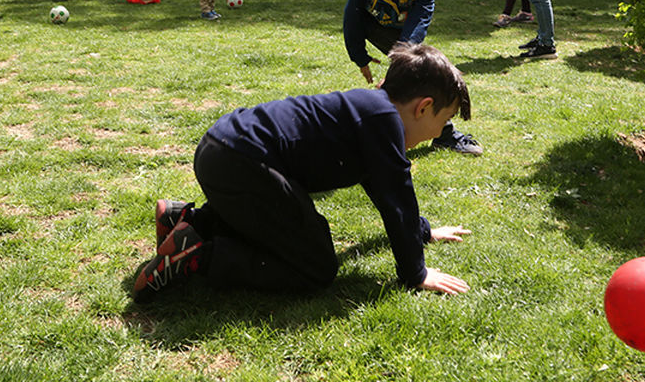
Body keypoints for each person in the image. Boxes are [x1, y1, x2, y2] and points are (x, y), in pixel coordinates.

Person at [132, 43, 473, 302]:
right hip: (243, 161)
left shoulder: (371, 112)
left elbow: (388, 198)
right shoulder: (383, 124)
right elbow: (397, 197)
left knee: (269, 216)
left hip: (222, 146)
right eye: (443, 122)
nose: (438, 130)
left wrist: (421, 230)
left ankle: (188, 221)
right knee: (316, 267)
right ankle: (200, 259)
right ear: (423, 107)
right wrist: (416, 272)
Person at [343, 0, 482, 155]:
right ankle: (376, 132)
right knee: (419, 78)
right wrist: (358, 55)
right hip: (374, 28)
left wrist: (403, 61)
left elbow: (420, 18)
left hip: (406, 35)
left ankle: (438, 133)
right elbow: (353, 15)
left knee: (422, 74)